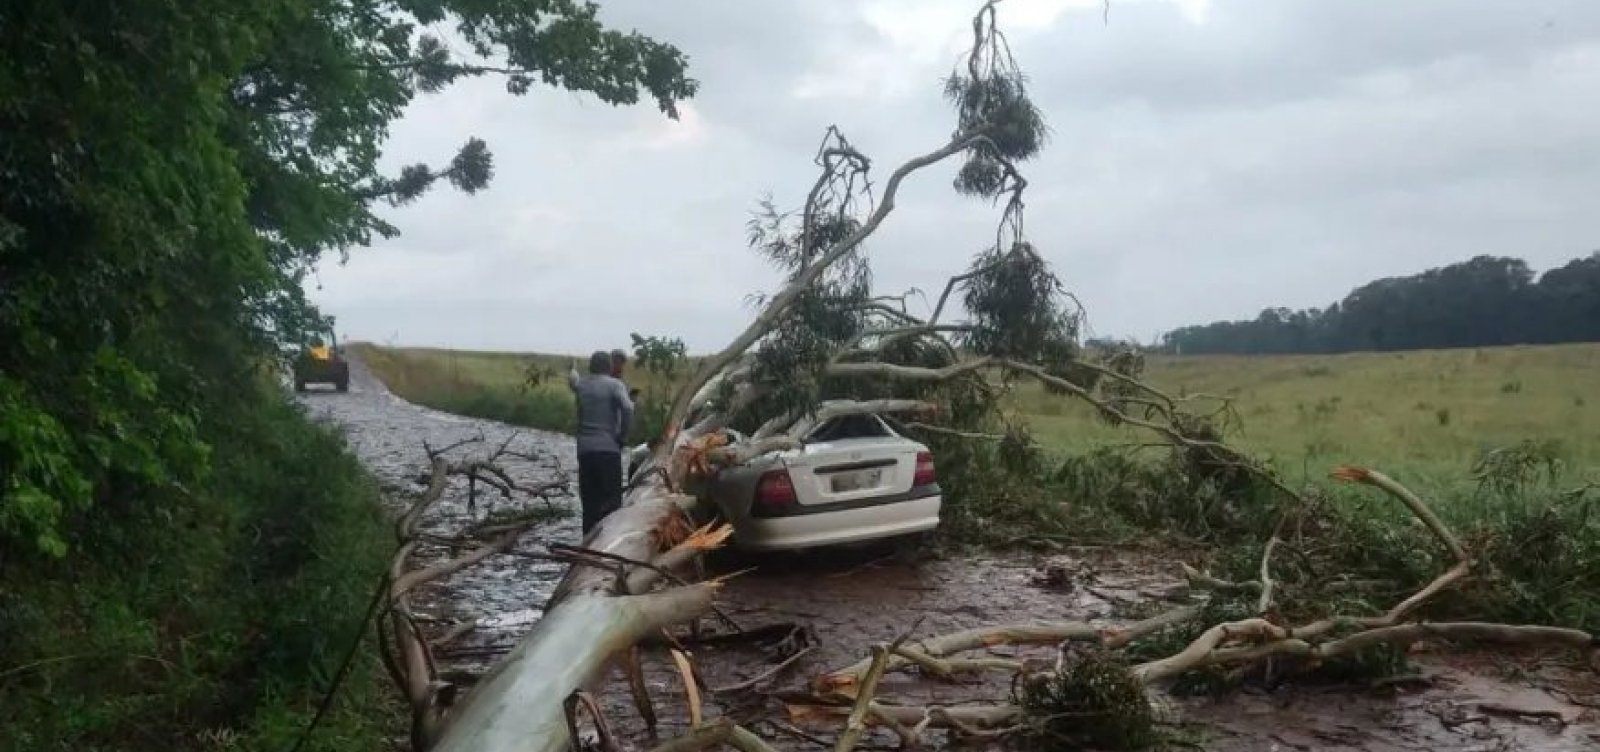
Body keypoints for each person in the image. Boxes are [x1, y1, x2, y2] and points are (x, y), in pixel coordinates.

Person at [567, 351, 634, 535]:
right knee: (611, 505)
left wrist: (572, 368)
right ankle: (608, 548)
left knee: (589, 507)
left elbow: (573, 380)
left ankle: (586, 549)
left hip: (585, 451)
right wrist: (622, 436)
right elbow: (628, 408)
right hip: (608, 450)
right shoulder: (615, 385)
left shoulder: (582, 385)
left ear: (591, 367)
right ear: (609, 367)